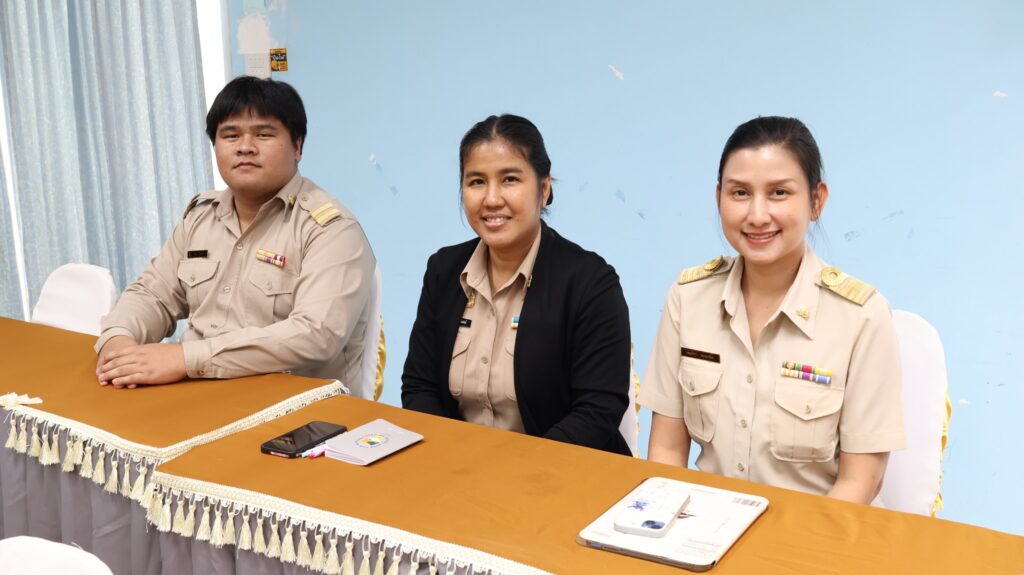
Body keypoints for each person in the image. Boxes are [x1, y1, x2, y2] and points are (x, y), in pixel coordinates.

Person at [641, 116, 905, 504]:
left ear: (816, 200)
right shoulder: (688, 298)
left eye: (779, 193)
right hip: (706, 526)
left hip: (817, 532)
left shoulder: (862, 316)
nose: (757, 215)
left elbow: (860, 482)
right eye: (740, 193)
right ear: (718, 198)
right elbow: (666, 452)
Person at [94, 76, 376, 391]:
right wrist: (119, 339)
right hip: (197, 394)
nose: (245, 147)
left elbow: (316, 335)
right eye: (230, 135)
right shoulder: (200, 218)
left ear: (297, 146)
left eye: (264, 134)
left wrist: (185, 359)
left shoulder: (330, 229)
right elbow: (152, 294)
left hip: (293, 406)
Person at [402, 114, 632, 455]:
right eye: (476, 182)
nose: (492, 199)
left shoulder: (590, 282)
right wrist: (449, 458)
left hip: (560, 471)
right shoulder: (444, 270)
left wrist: (513, 471)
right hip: (457, 466)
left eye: (509, 179)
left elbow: (597, 412)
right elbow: (420, 387)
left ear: (544, 188)